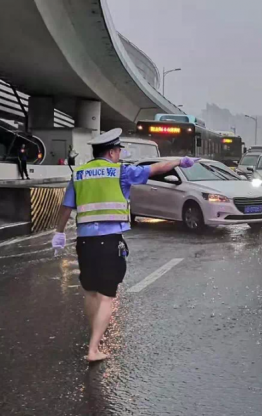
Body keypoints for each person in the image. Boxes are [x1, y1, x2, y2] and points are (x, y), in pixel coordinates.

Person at [51, 128, 195, 363]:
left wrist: (58, 233)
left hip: (84, 242)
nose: (120, 154)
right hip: (109, 241)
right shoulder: (121, 172)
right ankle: (93, 349)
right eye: (118, 150)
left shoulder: (79, 173)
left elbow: (66, 207)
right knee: (107, 296)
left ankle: (95, 335)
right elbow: (156, 168)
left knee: (90, 291)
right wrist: (181, 160)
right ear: (111, 151)